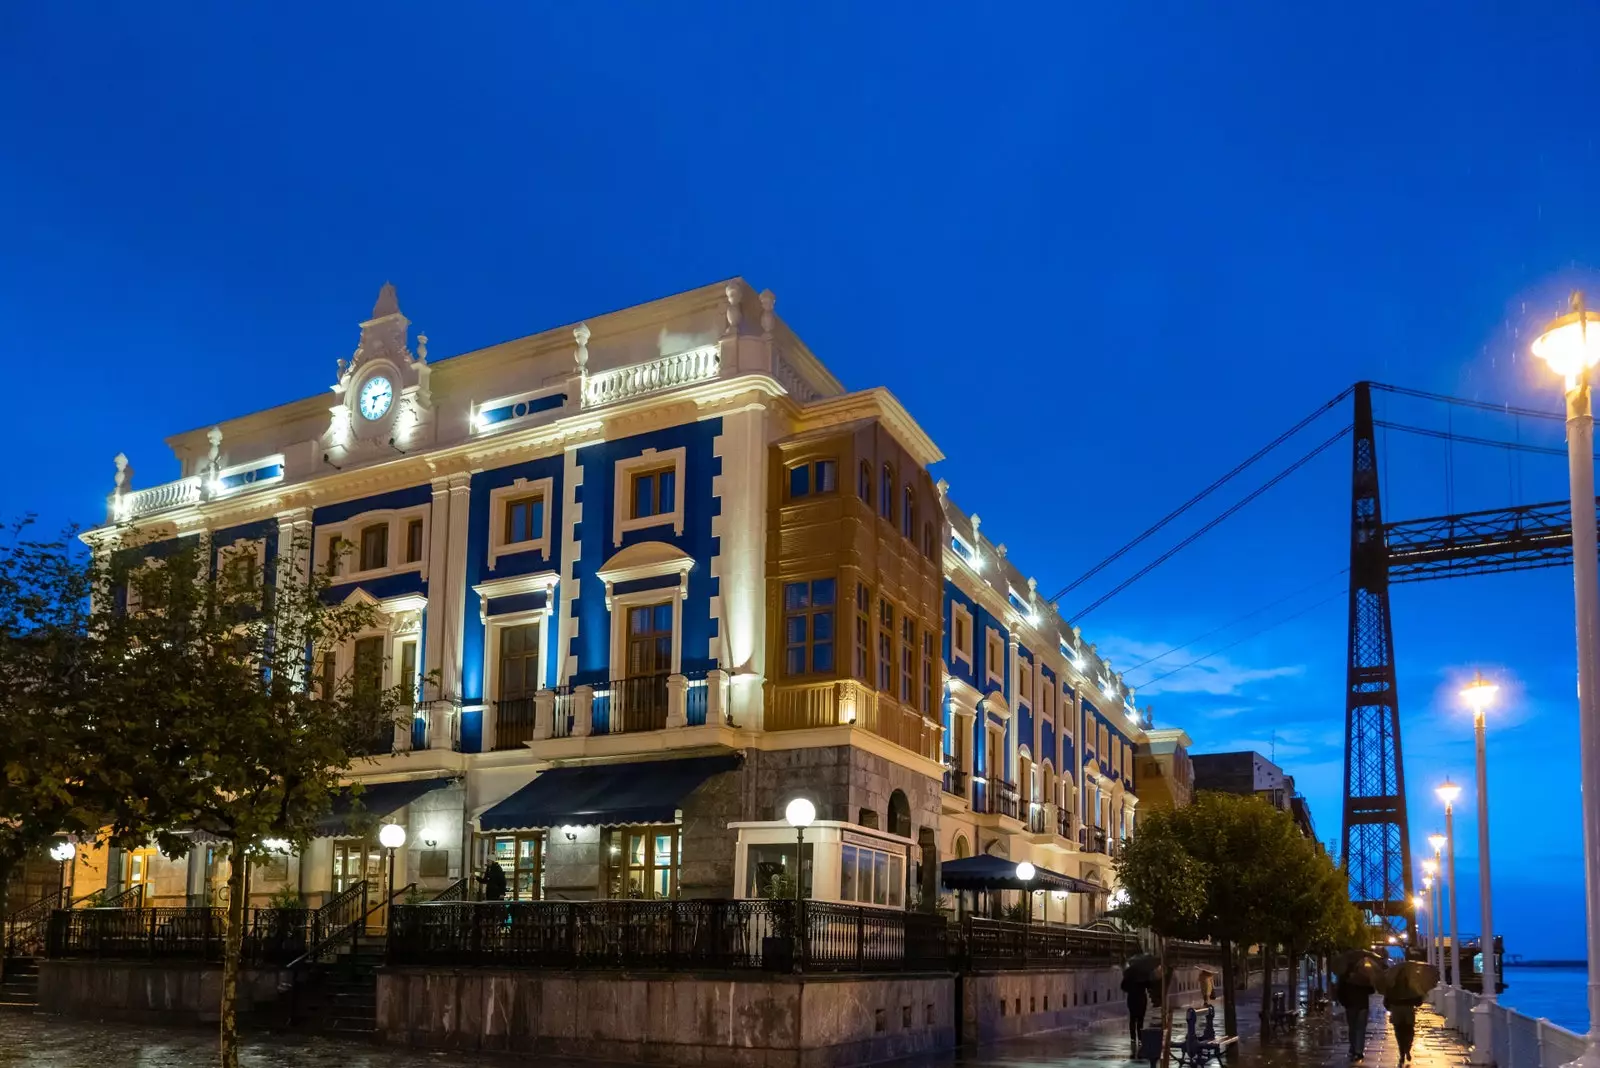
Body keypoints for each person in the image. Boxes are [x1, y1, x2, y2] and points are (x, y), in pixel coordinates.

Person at [1335, 972, 1375, 1061]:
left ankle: (1353, 1048)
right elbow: (1372, 990)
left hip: (1351, 1006)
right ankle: (1359, 1051)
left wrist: (1345, 1003)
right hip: (1362, 1006)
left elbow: (1340, 992)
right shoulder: (1364, 976)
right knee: (1360, 1029)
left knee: (1352, 1028)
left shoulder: (1345, 977)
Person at [1385, 989, 1424, 1064]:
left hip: (1396, 1009)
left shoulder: (1392, 983)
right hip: (1408, 1009)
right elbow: (1418, 1002)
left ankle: (1402, 1053)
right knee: (1409, 1032)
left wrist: (1390, 1007)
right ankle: (1407, 1048)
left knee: (1399, 1033)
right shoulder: (1412, 983)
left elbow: (1386, 1001)